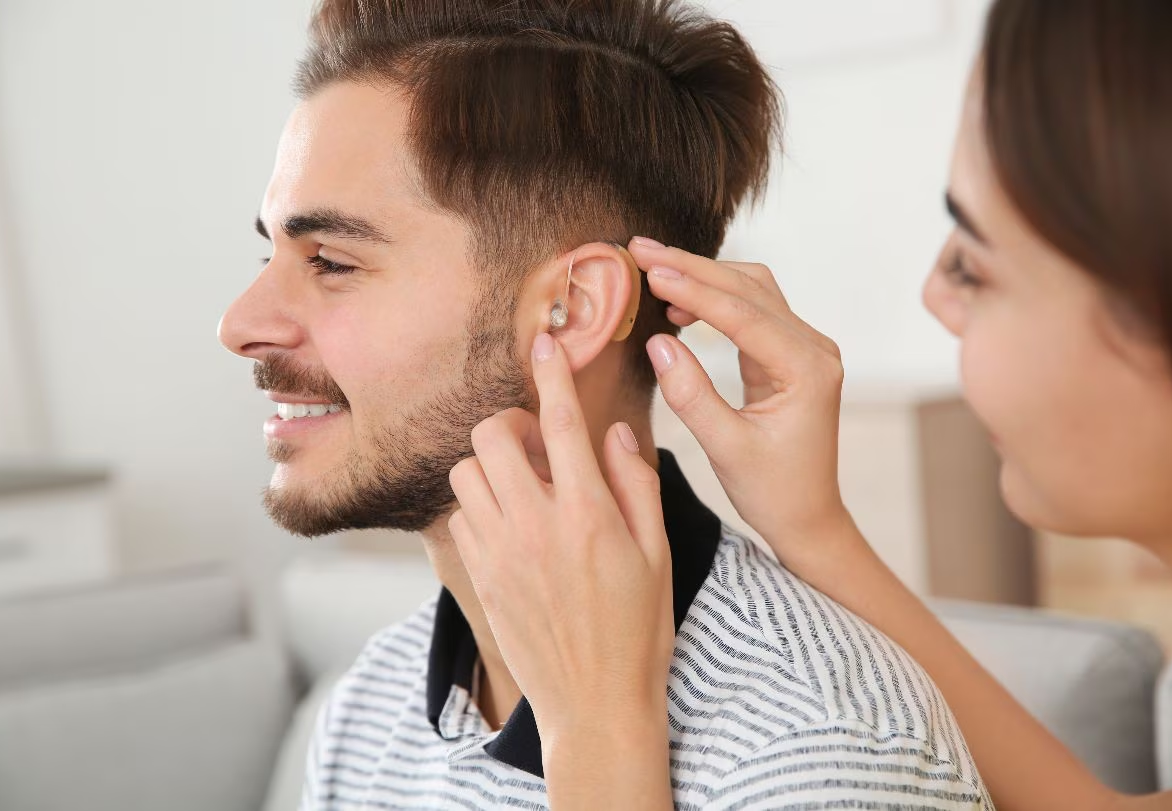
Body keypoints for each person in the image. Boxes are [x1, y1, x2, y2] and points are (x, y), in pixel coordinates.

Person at [217, 0, 993, 808]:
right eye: (268, 253)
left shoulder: (818, 752)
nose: (239, 324)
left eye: (332, 261)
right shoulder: (364, 711)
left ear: (572, 308)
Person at [451, 0, 1172, 809]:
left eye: (975, 262)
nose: (935, 295)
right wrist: (811, 525)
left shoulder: (823, 741)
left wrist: (595, 732)